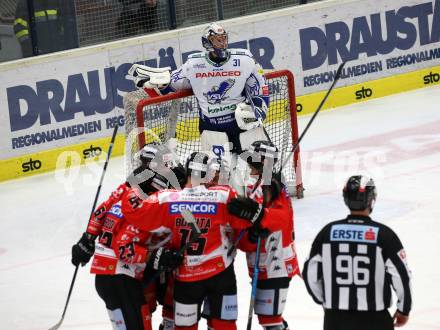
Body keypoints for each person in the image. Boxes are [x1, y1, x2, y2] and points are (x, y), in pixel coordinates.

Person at [122, 151, 261, 330]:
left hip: (187, 279)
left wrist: (135, 182)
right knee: (224, 325)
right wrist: (257, 213)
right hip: (220, 274)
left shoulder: (167, 198)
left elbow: (132, 210)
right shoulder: (223, 195)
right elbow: (249, 224)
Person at [128, 22, 270, 193]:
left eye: (224, 38)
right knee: (218, 176)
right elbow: (170, 85)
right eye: (217, 40)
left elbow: (259, 89)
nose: (222, 43)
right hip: (212, 129)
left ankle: (267, 195)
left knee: (260, 164)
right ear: (207, 42)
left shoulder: (244, 60)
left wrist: (257, 112)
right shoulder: (194, 64)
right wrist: (151, 84)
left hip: (241, 126)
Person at [71, 142, 185, 330]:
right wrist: (155, 257)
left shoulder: (130, 188)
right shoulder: (144, 202)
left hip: (110, 272)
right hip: (120, 275)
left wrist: (88, 239)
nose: (170, 171)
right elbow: (124, 247)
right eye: (166, 166)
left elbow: (102, 211)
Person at [302, 175, 412, 330]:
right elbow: (401, 275)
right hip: (375, 320)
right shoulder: (384, 235)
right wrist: (404, 309)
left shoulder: (327, 233)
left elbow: (310, 273)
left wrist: (325, 301)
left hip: (336, 320)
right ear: (371, 200)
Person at [227, 140, 300, 330]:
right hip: (262, 264)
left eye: (252, 161)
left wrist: (259, 217)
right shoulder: (260, 186)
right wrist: (248, 237)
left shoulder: (273, 189)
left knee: (271, 320)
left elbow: (281, 220)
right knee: (268, 319)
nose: (249, 165)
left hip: (276, 264)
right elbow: (246, 230)